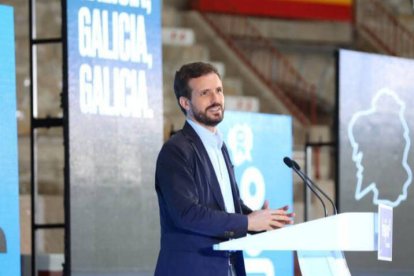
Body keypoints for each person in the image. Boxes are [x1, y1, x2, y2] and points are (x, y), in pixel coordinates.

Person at [154, 62, 294, 276]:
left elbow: (224, 204)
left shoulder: (220, 146)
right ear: (185, 103)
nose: (216, 99)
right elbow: (188, 214)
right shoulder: (175, 151)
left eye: (219, 90)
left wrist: (258, 218)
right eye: (205, 93)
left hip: (229, 267)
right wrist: (248, 222)